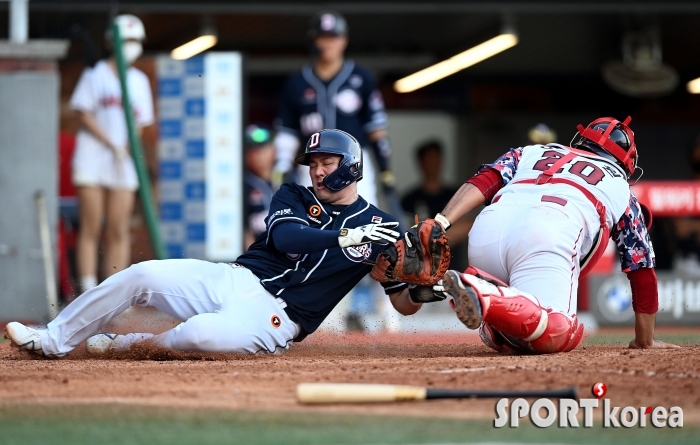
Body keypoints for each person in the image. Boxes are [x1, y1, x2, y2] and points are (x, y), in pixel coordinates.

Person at [4, 130, 424, 358]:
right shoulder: (294, 195)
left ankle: (131, 345)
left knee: (202, 336)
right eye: (313, 164)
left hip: (279, 318)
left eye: (326, 163)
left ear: (349, 167)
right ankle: (52, 339)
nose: (316, 172)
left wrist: (419, 286)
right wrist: (344, 236)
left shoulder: (383, 225)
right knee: (142, 273)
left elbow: (403, 303)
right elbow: (286, 236)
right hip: (236, 278)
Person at [428, 117, 679, 353]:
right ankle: (485, 294)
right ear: (626, 162)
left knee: (517, 339)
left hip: (486, 232)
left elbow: (486, 179)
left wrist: (442, 221)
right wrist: (645, 340)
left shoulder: (531, 151)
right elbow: (642, 268)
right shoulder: (620, 187)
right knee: (560, 332)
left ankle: (488, 299)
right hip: (546, 235)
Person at [273, 11, 395, 207]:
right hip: (314, 163)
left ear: (344, 40)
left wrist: (385, 169)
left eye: (333, 37)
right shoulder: (296, 82)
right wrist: (283, 166)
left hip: (353, 161)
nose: (328, 43)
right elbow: (287, 132)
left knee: (362, 224)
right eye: (323, 37)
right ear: (314, 40)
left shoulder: (361, 77)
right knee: (315, 227)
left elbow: (376, 130)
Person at [69, 14, 154, 293]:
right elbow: (83, 112)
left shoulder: (139, 80)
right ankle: (88, 289)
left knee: (119, 229)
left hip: (123, 159)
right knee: (91, 226)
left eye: (134, 40)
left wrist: (126, 148)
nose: (130, 45)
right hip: (94, 155)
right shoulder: (95, 75)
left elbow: (140, 123)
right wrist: (110, 142)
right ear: (111, 42)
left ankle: (112, 292)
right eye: (125, 39)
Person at [401, 140, 471, 269]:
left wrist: (435, 239)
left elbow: (468, 224)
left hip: (454, 268)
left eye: (436, 158)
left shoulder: (455, 195)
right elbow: (410, 234)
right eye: (429, 159)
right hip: (421, 269)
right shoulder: (409, 199)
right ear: (421, 163)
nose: (433, 163)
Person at [243, 124, 276, 250]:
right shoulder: (243, 185)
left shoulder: (288, 178)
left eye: (262, 149)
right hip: (260, 254)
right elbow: (245, 230)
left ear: (273, 149)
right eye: (252, 151)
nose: (258, 156)